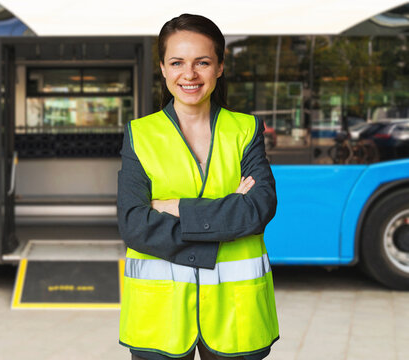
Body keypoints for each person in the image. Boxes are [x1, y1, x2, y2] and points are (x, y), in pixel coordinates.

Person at [117, 14, 278, 360]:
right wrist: (226, 211)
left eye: (201, 62)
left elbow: (258, 209)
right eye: (177, 62)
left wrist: (174, 207)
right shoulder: (140, 136)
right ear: (162, 68)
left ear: (219, 67)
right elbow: (133, 225)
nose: (188, 75)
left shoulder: (246, 130)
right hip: (160, 318)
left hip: (238, 316)